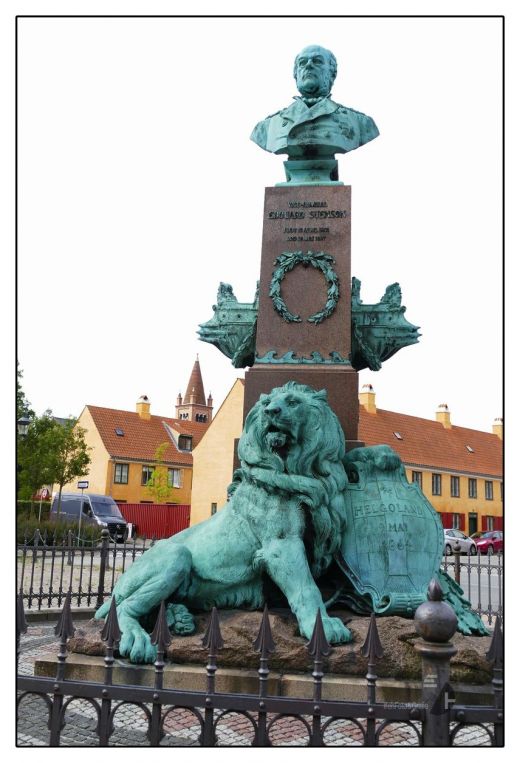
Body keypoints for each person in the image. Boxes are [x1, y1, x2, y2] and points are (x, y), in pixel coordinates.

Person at [251, 45, 379, 159]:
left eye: (317, 61)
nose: (308, 65)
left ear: (332, 73)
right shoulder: (267, 127)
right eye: (302, 62)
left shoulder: (360, 123)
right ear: (296, 74)